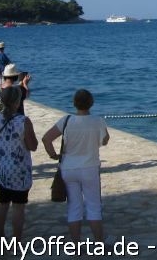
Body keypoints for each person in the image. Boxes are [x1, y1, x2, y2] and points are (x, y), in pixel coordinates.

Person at [42, 89, 110, 243]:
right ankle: (99, 243)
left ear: (74, 103)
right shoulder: (97, 121)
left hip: (68, 168)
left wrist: (53, 155)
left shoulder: (66, 121)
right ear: (91, 103)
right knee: (94, 206)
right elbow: (105, 140)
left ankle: (76, 246)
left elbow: (46, 139)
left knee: (74, 207)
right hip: (90, 168)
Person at [0, 87, 38, 240]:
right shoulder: (23, 121)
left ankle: (0, 236)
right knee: (18, 207)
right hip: (18, 169)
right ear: (17, 102)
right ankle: (16, 240)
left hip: (0, 168)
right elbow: (32, 146)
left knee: (3, 203)